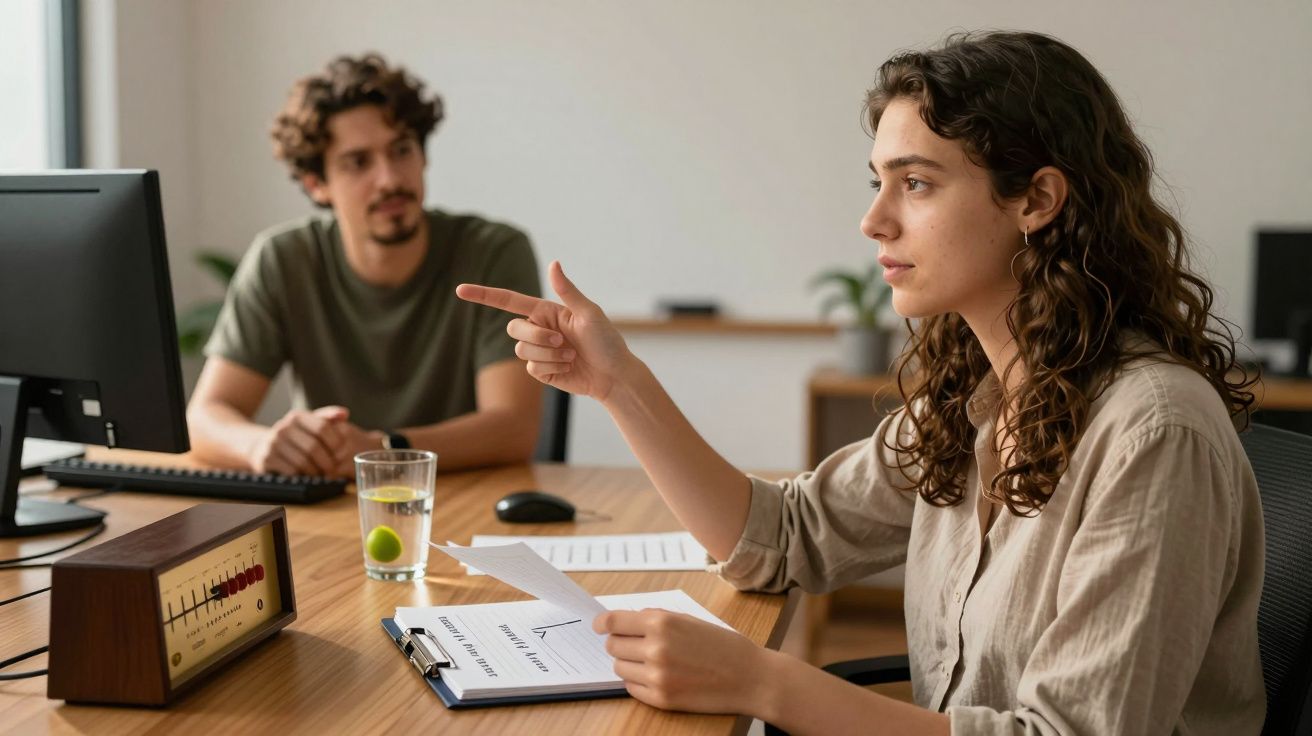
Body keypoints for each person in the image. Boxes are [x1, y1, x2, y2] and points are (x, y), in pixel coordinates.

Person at [456, 31, 1265, 735]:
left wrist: (761, 682)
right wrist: (617, 383)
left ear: (1038, 200)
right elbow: (781, 539)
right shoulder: (977, 392)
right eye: (877, 181)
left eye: (915, 183)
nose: (874, 221)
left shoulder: (1154, 431)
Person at [188, 53, 544, 478]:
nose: (390, 178)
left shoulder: (493, 251)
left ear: (423, 156)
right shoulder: (284, 260)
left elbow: (513, 429)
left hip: (463, 503)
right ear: (317, 185)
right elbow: (205, 417)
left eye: (401, 150)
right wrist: (261, 445)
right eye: (359, 162)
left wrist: (381, 450)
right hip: (331, 508)